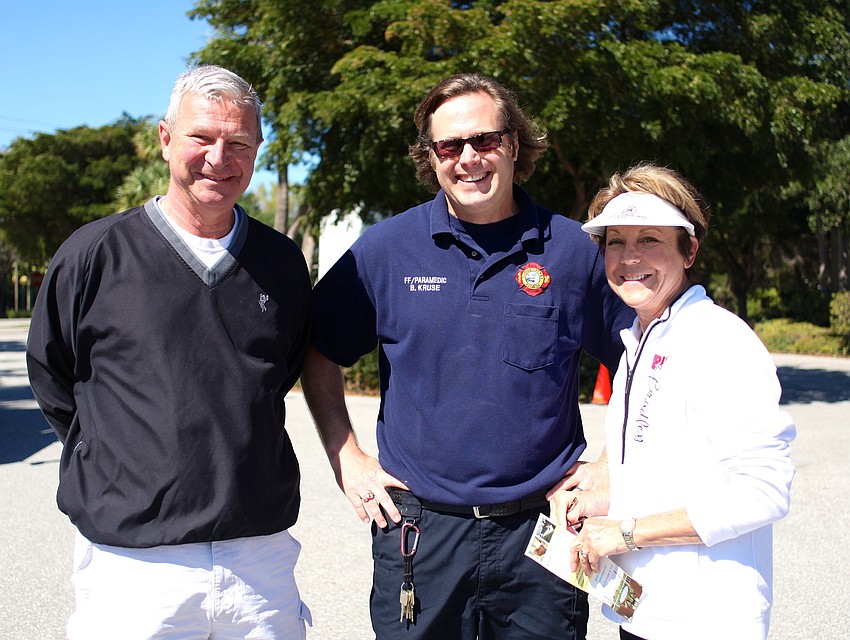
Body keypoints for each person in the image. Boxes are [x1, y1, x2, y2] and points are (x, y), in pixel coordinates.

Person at [300, 73, 634, 640]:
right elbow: (315, 347)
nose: (469, 158)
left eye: (486, 140)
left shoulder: (575, 249)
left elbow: (644, 358)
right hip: (421, 534)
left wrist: (607, 467)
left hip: (544, 531)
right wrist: (345, 455)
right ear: (430, 157)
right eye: (449, 146)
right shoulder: (385, 250)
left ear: (515, 144)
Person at [26, 65, 313, 639]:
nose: (219, 157)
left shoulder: (281, 263)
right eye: (201, 138)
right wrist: (115, 452)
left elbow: (279, 374)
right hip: (133, 563)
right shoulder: (95, 253)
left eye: (238, 143)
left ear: (256, 150)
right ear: (164, 140)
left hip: (257, 558)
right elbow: (52, 374)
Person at [563, 163, 796, 640]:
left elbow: (762, 492)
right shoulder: (637, 342)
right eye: (615, 242)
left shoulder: (719, 340)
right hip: (646, 612)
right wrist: (595, 501)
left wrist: (625, 533)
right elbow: (663, 474)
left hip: (708, 620)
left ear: (689, 249)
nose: (629, 258)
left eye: (649, 239)